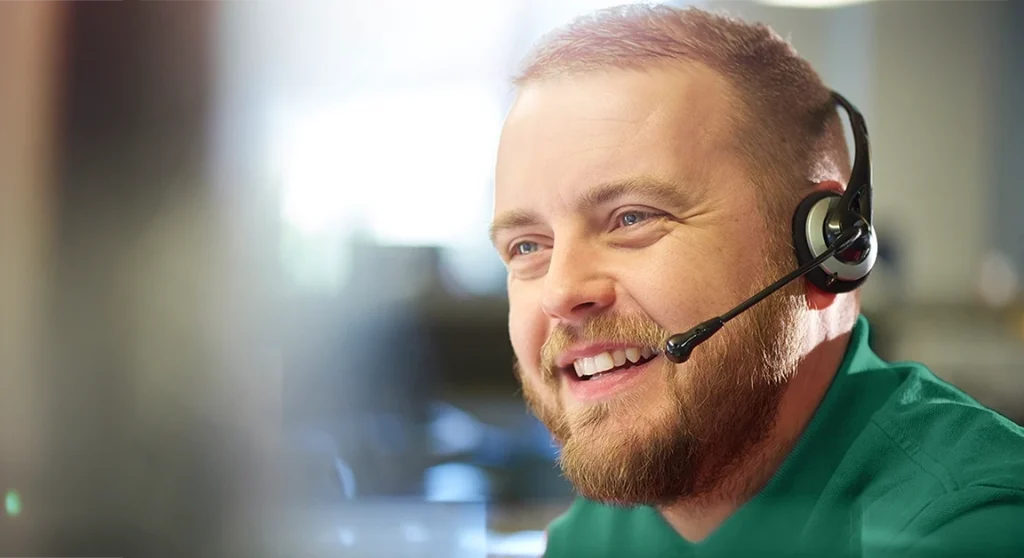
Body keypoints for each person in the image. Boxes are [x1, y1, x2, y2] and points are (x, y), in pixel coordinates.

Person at [488, 5, 1024, 557]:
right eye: (527, 246)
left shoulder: (970, 527)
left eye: (633, 218)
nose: (560, 292)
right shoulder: (597, 532)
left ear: (825, 247)